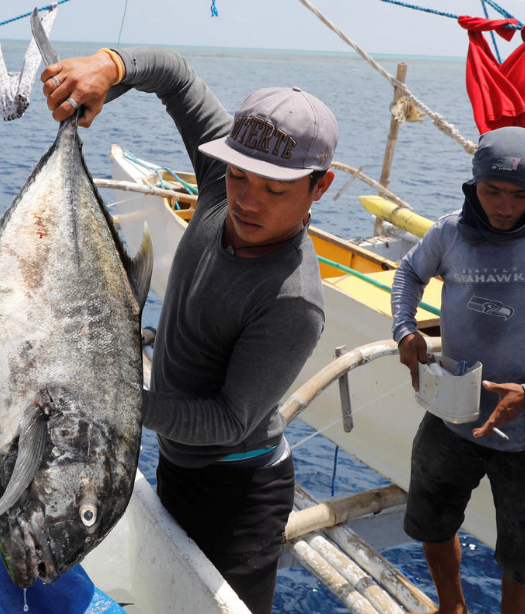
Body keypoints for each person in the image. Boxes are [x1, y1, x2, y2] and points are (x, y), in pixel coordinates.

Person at [41, 47, 337, 614]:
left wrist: (111, 402)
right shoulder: (220, 187)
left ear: (317, 188)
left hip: (239, 495)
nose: (246, 201)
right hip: (177, 462)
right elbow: (175, 76)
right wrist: (110, 66)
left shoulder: (292, 300)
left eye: (275, 190)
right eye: (238, 176)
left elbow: (227, 421)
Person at [392, 126, 525, 614]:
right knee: (430, 519)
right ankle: (451, 606)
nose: (505, 206)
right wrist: (405, 330)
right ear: (473, 187)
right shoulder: (449, 232)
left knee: (521, 555)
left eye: (519, 195)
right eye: (493, 191)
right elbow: (408, 272)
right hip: (452, 413)